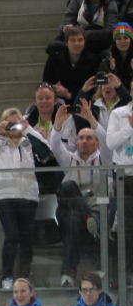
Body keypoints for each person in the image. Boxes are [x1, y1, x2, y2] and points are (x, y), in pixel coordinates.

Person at [0, 109, 52, 290]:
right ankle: (7, 276)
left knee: (26, 239)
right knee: (12, 235)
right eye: (9, 123)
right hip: (4, 196)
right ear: (3, 124)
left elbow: (46, 153)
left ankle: (23, 278)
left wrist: (28, 129)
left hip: (28, 195)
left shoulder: (30, 141)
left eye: (17, 122)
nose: (14, 127)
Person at [50, 102, 111, 287]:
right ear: (76, 142)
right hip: (85, 215)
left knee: (73, 222)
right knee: (68, 186)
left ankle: (67, 275)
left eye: (89, 138)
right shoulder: (69, 159)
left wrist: (91, 119)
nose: (84, 141)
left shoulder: (104, 158)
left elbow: (107, 140)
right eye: (81, 138)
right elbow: (54, 145)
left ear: (96, 143)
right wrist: (58, 124)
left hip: (91, 217)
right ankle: (88, 215)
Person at [43, 25, 101, 105]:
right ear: (66, 43)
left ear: (84, 42)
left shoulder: (94, 61)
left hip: (85, 103)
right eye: (72, 40)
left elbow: (94, 89)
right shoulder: (54, 60)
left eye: (80, 40)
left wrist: (69, 95)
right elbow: (46, 83)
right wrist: (55, 88)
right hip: (58, 103)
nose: (76, 43)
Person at [108, 22, 133, 90]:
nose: (122, 41)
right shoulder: (108, 57)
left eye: (125, 38)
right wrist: (112, 71)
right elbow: (104, 85)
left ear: (130, 40)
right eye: (119, 38)